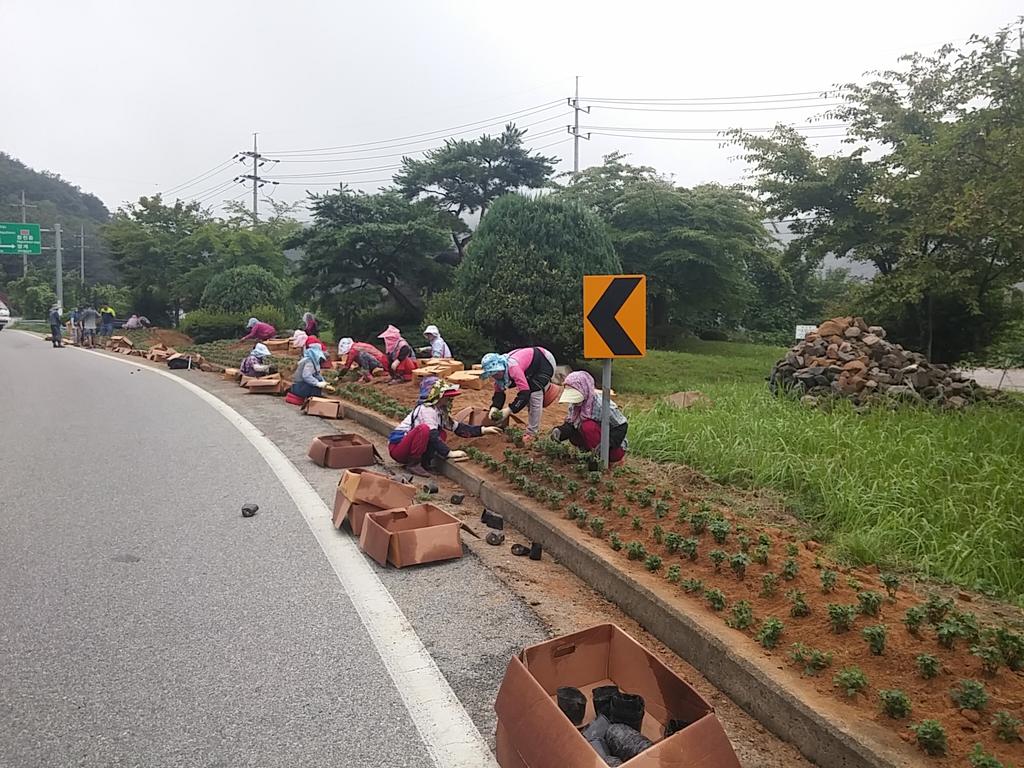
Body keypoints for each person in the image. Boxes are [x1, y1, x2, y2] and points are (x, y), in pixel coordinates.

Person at [388, 377, 502, 477]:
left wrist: (483, 430)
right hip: (398, 449)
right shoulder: (426, 410)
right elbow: (431, 434)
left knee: (441, 433)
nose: (448, 400)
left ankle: (425, 463)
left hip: (406, 447)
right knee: (424, 429)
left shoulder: (439, 411)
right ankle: (414, 464)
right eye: (446, 396)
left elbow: (458, 428)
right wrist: (448, 453)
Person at [481, 347, 558, 441]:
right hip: (529, 368)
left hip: (544, 361)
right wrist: (494, 408)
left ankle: (532, 433)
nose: (494, 376)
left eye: (496, 373)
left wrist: (509, 410)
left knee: (534, 393)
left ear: (501, 367)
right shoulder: (499, 377)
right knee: (528, 393)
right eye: (491, 374)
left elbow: (525, 393)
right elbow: (499, 394)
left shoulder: (513, 368)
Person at [551, 370, 629, 463]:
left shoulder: (602, 405)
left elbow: (622, 426)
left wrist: (607, 444)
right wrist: (560, 431)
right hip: (592, 442)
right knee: (577, 431)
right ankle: (588, 454)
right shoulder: (575, 405)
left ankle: (601, 460)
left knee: (588, 426)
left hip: (613, 449)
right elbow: (572, 425)